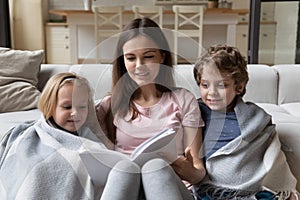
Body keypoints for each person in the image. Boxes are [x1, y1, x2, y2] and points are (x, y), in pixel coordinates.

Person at [96, 17, 206, 199]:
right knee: (124, 168)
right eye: (131, 58)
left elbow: (198, 173)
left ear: (162, 56)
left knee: (155, 167)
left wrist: (187, 170)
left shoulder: (183, 99)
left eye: (148, 56)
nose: (140, 66)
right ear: (122, 61)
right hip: (129, 190)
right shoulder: (109, 105)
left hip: (171, 188)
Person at [172, 44, 299, 200]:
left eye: (222, 85)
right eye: (205, 85)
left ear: (239, 87)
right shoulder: (194, 112)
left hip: (250, 191)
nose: (212, 92)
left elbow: (265, 155)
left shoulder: (255, 117)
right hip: (208, 189)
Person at [0, 72, 139, 199]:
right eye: (67, 107)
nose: (75, 113)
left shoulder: (89, 134)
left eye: (82, 107)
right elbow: (32, 175)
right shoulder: (34, 137)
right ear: (50, 106)